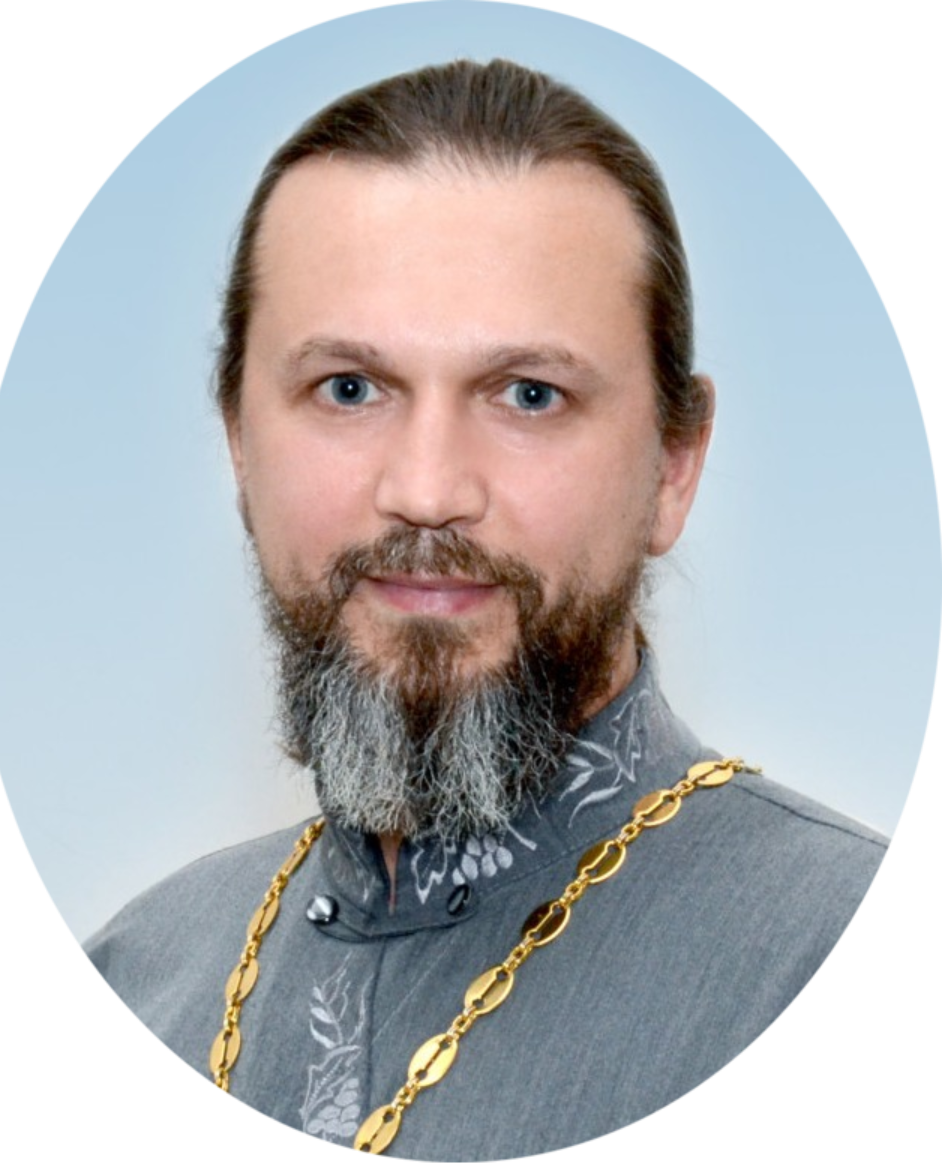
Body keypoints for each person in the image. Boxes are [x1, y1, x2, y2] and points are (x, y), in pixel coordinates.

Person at [85, 60, 886, 1156]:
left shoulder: (814, 951)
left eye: (529, 395)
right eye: (348, 389)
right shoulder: (140, 974)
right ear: (238, 441)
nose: (427, 490)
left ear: (673, 465)